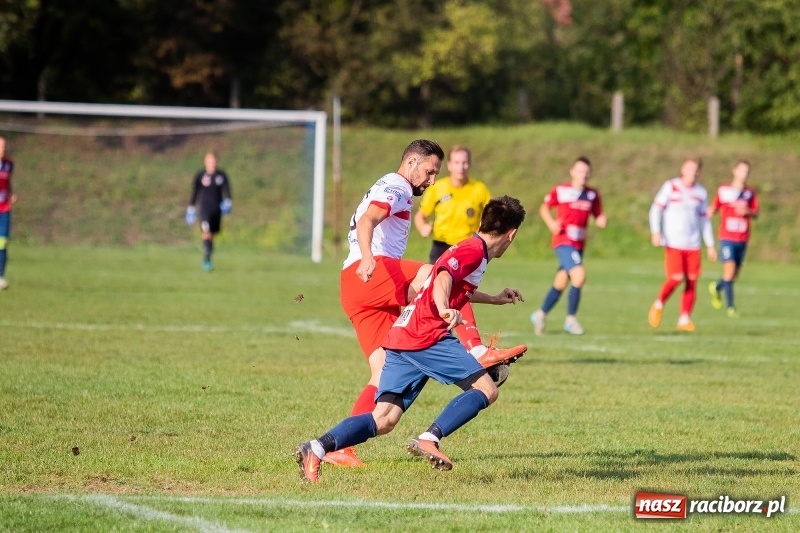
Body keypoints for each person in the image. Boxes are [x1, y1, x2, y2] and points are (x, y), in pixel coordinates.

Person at [294, 196, 527, 483]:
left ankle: (316, 448)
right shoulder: (473, 251)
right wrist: (444, 309)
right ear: (511, 234)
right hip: (426, 334)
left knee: (384, 419)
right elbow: (442, 277)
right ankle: (430, 438)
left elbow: (452, 284)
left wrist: (493, 298)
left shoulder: (473, 250)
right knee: (487, 390)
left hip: (403, 334)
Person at [328, 140, 526, 468]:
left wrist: (492, 298)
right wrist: (367, 257)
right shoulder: (397, 186)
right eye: (430, 171)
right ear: (411, 162)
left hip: (358, 291)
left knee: (381, 373)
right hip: (370, 274)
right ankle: (477, 350)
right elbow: (367, 221)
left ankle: (339, 448)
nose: (432, 180)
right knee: (435, 274)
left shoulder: (395, 186)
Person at [530, 156, 606, 336]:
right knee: (579, 277)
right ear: (572, 172)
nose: (583, 175)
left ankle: (539, 315)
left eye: (586, 172)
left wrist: (601, 220)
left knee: (561, 282)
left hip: (579, 245)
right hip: (563, 241)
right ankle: (571, 320)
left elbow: (598, 214)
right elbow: (544, 208)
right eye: (580, 171)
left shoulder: (592, 194)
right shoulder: (561, 190)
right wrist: (551, 224)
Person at [648, 157, 717, 332]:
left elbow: (704, 220)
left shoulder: (701, 192)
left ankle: (684, 318)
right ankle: (659, 303)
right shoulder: (671, 186)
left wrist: (710, 244)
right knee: (676, 277)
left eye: (696, 169)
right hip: (673, 242)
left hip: (693, 244)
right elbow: (656, 209)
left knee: (692, 280)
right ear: (682, 169)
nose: (692, 172)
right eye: (689, 168)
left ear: (699, 172)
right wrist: (656, 231)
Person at [414, 145, 492, 263]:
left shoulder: (479, 189)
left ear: (469, 164)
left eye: (464, 163)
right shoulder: (437, 188)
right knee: (436, 275)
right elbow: (420, 215)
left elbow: (491, 215)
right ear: (449, 165)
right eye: (456, 162)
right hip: (441, 245)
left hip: (468, 246)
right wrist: (422, 228)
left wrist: (483, 231)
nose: (461, 167)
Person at [707, 160, 759, 317]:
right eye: (742, 170)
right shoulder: (724, 190)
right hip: (727, 237)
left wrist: (748, 211)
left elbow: (756, 213)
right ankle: (731, 307)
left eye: (747, 172)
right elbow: (713, 208)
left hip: (742, 238)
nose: (744, 174)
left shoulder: (750, 193)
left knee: (733, 276)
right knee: (729, 271)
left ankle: (717, 288)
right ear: (734, 171)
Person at [185, 152, 232, 271]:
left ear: (216, 161)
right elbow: (195, 192)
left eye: (214, 161)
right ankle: (206, 260)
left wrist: (228, 201)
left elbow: (227, 190)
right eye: (209, 161)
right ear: (205, 162)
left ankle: (208, 258)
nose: (212, 163)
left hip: (217, 210)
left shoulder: (221, 176)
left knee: (212, 235)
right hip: (204, 209)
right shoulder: (200, 176)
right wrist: (191, 207)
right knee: (206, 231)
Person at [0, 136, 16, 290]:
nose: (3, 149)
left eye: (4, 146)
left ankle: (0, 276)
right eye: (0, 146)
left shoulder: (9, 164)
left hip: (4, 209)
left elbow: (8, 183)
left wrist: (11, 194)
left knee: (2, 242)